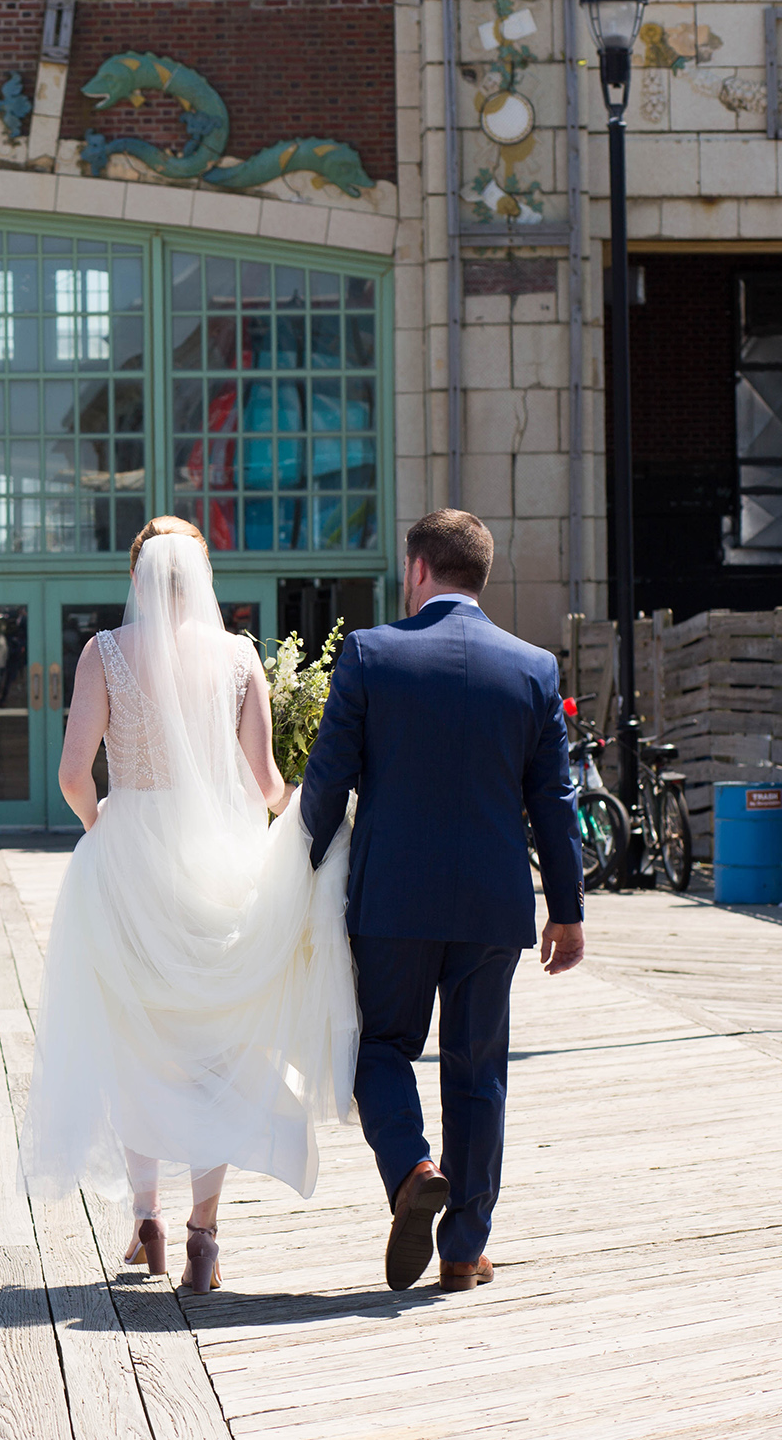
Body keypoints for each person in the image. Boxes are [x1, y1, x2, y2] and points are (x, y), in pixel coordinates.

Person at [21, 517, 359, 1294]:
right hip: (222, 862)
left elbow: (75, 772)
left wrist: (101, 826)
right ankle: (206, 1231)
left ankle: (148, 1216)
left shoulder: (104, 653)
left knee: (135, 1039)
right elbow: (268, 784)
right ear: (203, 578)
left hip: (129, 857)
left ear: (136, 576)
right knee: (216, 1047)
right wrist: (298, 804)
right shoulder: (241, 658)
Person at [300, 508, 585, 1293]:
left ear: (418, 569)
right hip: (494, 904)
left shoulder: (370, 653)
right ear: (479, 575)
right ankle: (463, 1250)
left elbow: (327, 778)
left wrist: (303, 859)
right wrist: (568, 908)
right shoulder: (533, 668)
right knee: (478, 1067)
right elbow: (554, 803)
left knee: (379, 1045)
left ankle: (410, 1167)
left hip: (393, 897)